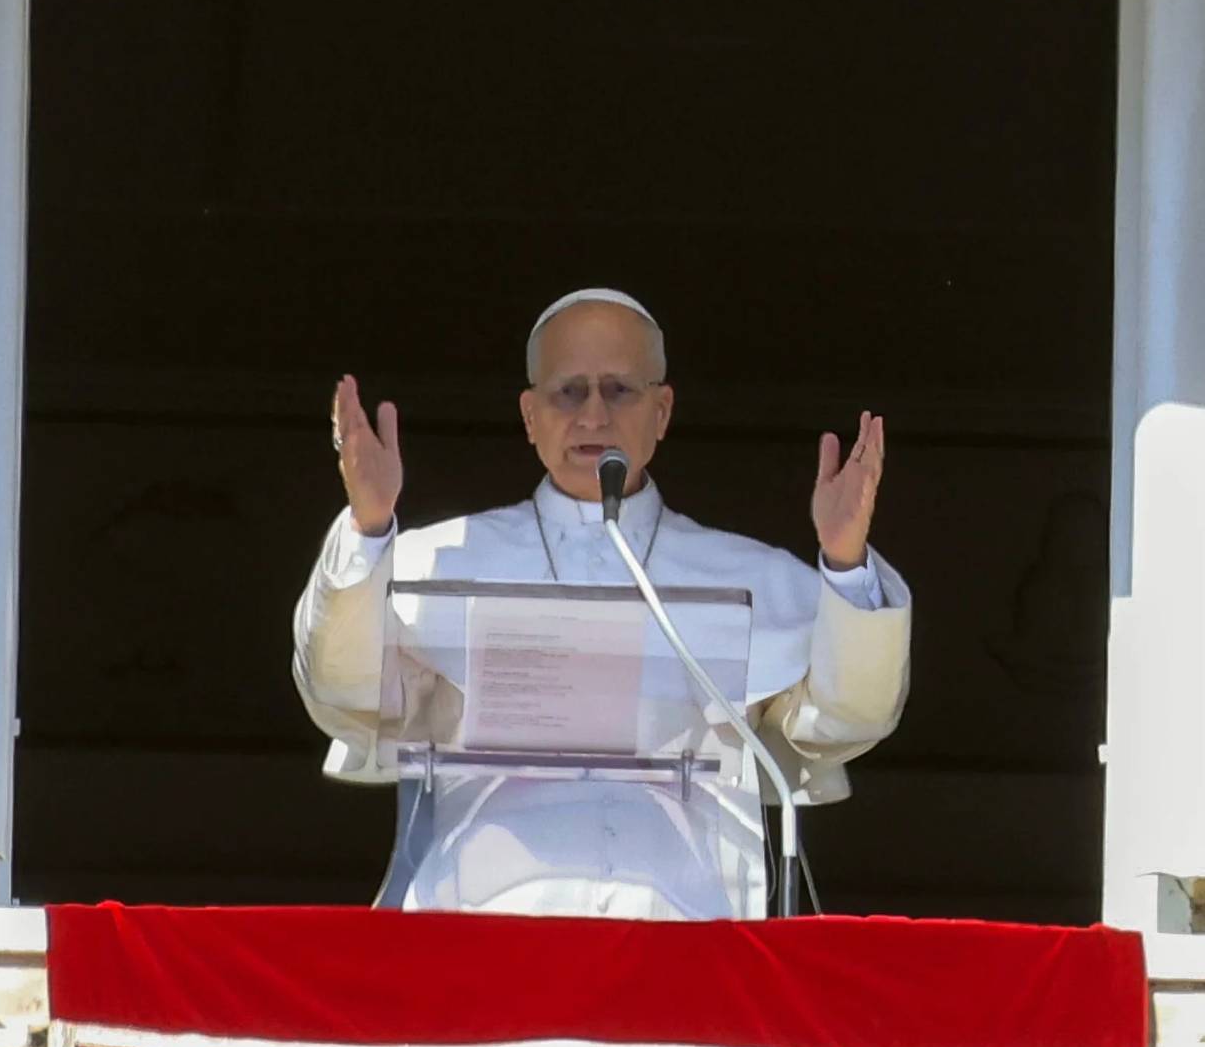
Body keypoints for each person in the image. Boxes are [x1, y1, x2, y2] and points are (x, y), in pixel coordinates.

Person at [293, 288, 912, 918]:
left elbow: (842, 724)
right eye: (569, 392)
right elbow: (348, 700)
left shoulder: (750, 575)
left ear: (663, 410)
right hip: (484, 937)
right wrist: (369, 531)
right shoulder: (434, 562)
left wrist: (844, 564)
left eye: (620, 390)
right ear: (530, 416)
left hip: (690, 941)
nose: (594, 415)